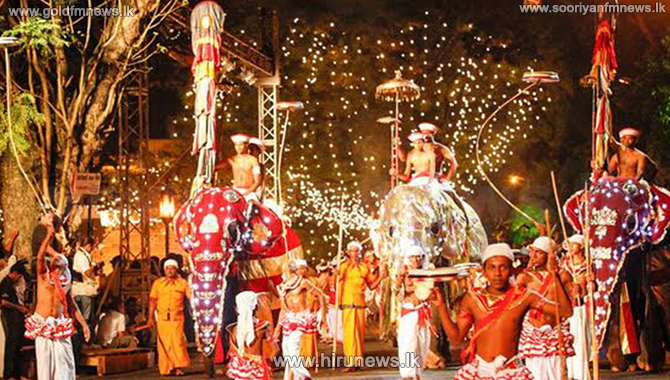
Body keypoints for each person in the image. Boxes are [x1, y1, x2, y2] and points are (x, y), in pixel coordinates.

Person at [435, 243, 572, 380]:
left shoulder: (524, 297)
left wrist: (555, 276)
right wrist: (441, 305)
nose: (497, 274)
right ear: (483, 271)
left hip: (511, 372)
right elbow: (456, 338)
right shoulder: (472, 299)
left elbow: (565, 312)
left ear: (512, 270)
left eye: (503, 267)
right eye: (491, 268)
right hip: (478, 372)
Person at [26, 226, 90, 380]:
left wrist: (84, 324)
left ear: (65, 265)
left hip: (59, 324)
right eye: (54, 258)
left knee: (65, 364)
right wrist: (48, 236)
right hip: (43, 324)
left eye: (59, 258)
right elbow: (41, 256)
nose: (55, 258)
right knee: (45, 366)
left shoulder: (66, 282)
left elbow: (72, 305)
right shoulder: (43, 276)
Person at [515, 237, 575, 380]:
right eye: (533, 252)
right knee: (534, 374)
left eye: (539, 252)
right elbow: (515, 307)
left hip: (555, 333)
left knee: (558, 375)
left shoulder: (563, 275)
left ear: (550, 256)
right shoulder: (524, 278)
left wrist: (555, 276)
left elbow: (572, 305)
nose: (534, 256)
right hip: (533, 333)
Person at [337, 241, 386, 371]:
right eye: (352, 251)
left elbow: (371, 285)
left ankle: (358, 361)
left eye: (357, 251)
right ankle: (351, 362)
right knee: (349, 334)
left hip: (360, 303)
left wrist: (380, 277)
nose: (355, 253)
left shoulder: (364, 267)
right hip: (347, 302)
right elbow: (337, 281)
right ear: (348, 252)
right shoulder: (343, 267)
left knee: (358, 333)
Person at [274, 259, 325, 380]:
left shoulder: (302, 282)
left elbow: (320, 295)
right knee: (286, 351)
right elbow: (283, 309)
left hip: (301, 317)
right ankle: (292, 378)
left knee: (293, 349)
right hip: (289, 318)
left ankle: (305, 376)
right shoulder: (282, 287)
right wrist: (277, 328)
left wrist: (322, 314)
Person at [395, 246, 434, 380]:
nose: (416, 259)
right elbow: (395, 291)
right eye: (413, 256)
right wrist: (399, 280)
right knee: (407, 343)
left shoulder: (427, 272)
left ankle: (417, 373)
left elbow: (430, 292)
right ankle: (407, 374)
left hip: (422, 310)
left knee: (422, 344)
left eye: (419, 256)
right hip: (409, 311)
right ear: (408, 258)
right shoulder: (404, 271)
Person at [148, 259, 192, 376]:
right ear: (164, 270)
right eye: (167, 268)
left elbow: (191, 297)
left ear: (176, 270)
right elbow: (152, 301)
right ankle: (167, 368)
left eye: (172, 268)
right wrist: (150, 318)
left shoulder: (183, 283)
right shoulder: (158, 283)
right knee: (164, 344)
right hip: (162, 318)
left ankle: (178, 367)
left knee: (177, 342)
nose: (169, 271)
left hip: (177, 318)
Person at [226, 291, 274, 380]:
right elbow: (274, 351)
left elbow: (233, 353)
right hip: (258, 371)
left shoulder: (234, 330)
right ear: (256, 307)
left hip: (240, 371)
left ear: (237, 309)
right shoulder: (262, 328)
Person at [563, 235, 590, 380]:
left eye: (574, 244)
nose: (571, 247)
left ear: (581, 247)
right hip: (566, 306)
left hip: (579, 305)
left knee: (580, 342)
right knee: (568, 340)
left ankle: (581, 375)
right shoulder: (565, 264)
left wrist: (590, 282)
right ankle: (570, 374)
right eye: (570, 244)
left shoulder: (587, 265)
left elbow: (593, 287)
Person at [0, 261, 28, 380]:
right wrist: (19, 308)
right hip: (11, 318)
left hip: (18, 318)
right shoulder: (5, 283)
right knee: (11, 346)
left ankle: (17, 373)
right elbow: (3, 302)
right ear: (15, 273)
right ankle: (9, 374)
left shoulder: (12, 284)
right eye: (19, 276)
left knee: (17, 346)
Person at [218, 134, 262, 202]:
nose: (238, 147)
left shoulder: (253, 160)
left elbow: (257, 182)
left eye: (240, 145)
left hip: (249, 193)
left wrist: (246, 193)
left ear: (246, 145)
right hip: (235, 191)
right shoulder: (232, 159)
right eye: (236, 145)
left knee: (253, 207)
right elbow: (216, 167)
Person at [72, 237, 101, 326]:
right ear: (88, 246)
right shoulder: (80, 256)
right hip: (82, 291)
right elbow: (87, 273)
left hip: (86, 290)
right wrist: (93, 264)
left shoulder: (84, 256)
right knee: (85, 317)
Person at [248, 137, 266, 201]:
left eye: (252, 149)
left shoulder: (261, 167)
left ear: (258, 151)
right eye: (248, 149)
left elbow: (261, 184)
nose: (249, 151)